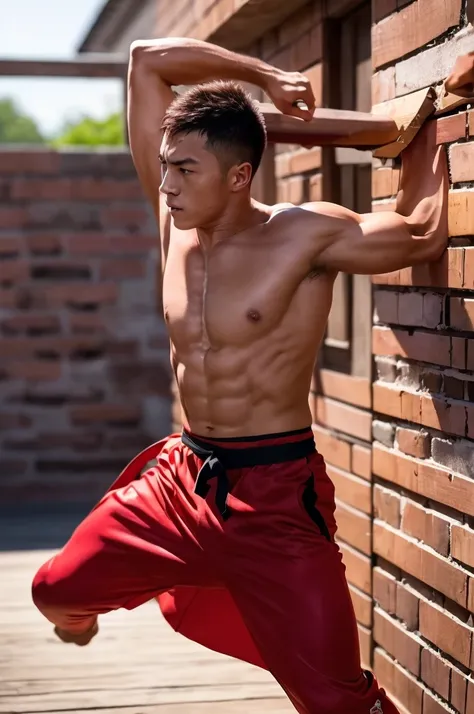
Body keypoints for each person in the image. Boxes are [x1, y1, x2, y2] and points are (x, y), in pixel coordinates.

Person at [32, 37, 452, 714]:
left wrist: (430, 137)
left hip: (276, 500)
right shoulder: (175, 223)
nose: (164, 186)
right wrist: (266, 76)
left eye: (185, 171)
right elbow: (146, 58)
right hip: (179, 482)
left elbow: (422, 233)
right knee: (53, 589)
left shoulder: (305, 235)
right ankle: (80, 620)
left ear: (238, 176)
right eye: (165, 167)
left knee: (335, 700)